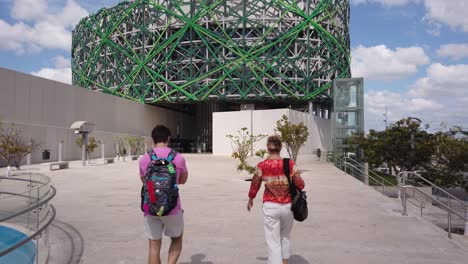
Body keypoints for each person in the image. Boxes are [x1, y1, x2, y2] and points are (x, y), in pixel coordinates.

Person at [247, 136, 305, 264]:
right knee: (285, 236)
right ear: (281, 148)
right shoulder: (289, 164)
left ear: (268, 148)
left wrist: (251, 198)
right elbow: (301, 184)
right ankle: (285, 262)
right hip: (288, 206)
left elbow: (255, 183)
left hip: (270, 207)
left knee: (273, 242)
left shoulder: (262, 165)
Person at [139, 125, 188, 264]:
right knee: (177, 238)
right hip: (172, 207)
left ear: (153, 139)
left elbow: (144, 181)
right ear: (168, 139)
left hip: (151, 207)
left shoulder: (145, 158)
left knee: (154, 247)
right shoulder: (178, 157)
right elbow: (183, 180)